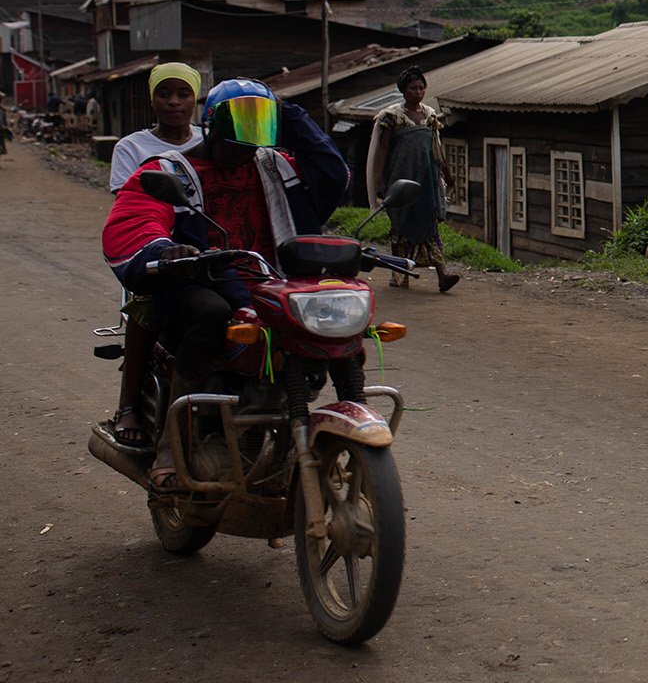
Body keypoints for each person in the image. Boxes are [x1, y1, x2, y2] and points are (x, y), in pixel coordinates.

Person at [101, 79, 350, 491]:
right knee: (207, 313)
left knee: (338, 321)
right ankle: (173, 441)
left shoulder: (277, 165)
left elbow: (333, 172)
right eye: (242, 123)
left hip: (273, 285)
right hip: (204, 280)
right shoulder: (169, 169)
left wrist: (285, 111)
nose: (249, 142)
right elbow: (134, 219)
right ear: (214, 125)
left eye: (260, 123)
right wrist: (164, 250)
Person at [103, 63, 206, 450]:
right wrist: (163, 246)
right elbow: (130, 204)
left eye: (183, 93)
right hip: (156, 249)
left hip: (211, 245)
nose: (175, 102)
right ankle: (129, 404)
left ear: (196, 98)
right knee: (146, 305)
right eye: (165, 93)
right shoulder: (131, 148)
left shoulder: (211, 140)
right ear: (152, 99)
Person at [367, 66, 459, 292]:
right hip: (400, 181)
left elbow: (436, 148)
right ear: (403, 90)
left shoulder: (429, 116)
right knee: (401, 226)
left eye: (421, 88)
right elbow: (383, 151)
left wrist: (447, 174)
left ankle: (442, 275)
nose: (418, 92)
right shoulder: (393, 117)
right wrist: (379, 181)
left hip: (427, 180)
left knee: (430, 224)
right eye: (412, 88)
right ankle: (400, 276)